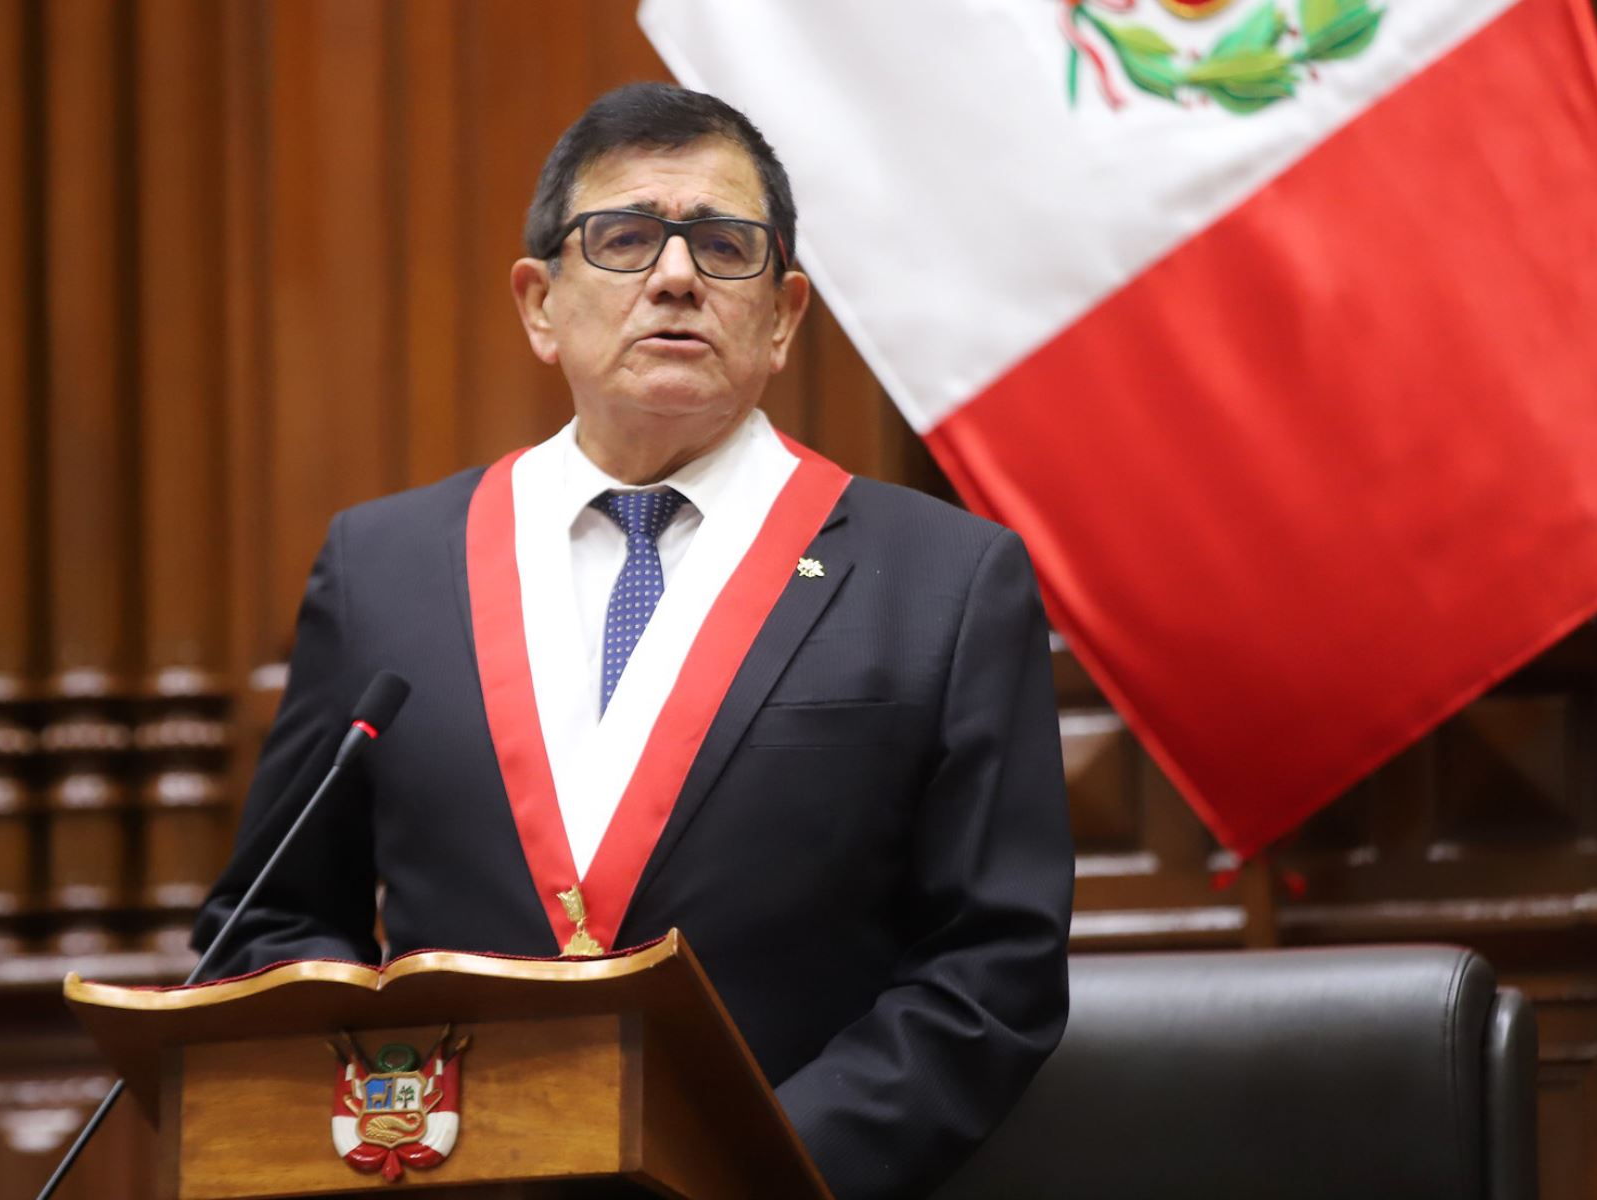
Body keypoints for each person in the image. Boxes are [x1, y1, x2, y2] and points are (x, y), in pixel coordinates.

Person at [194, 82, 1073, 1200]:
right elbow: (273, 917)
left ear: (783, 316)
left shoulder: (944, 580)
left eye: (724, 245)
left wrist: (750, 1169)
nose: (675, 276)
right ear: (539, 305)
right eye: (622, 239)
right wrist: (399, 1129)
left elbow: (993, 965)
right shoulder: (384, 569)